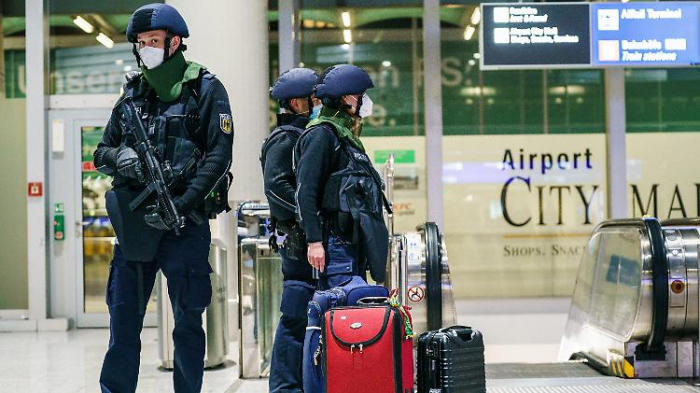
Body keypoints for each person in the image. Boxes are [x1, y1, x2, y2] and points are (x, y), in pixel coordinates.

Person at [93, 4, 233, 393]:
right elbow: (101, 152)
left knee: (188, 322)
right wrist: (118, 157)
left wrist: (183, 204)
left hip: (183, 226)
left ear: (174, 43)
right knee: (123, 323)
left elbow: (219, 156)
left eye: (153, 41)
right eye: (141, 43)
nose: (146, 49)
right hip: (136, 227)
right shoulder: (133, 92)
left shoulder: (204, 88)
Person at [294, 64, 390, 290]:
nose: (364, 101)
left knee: (353, 312)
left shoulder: (344, 135)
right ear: (346, 98)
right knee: (344, 313)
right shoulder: (322, 134)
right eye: (361, 96)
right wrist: (314, 241)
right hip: (336, 245)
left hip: (352, 243)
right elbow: (306, 190)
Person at [262, 67, 321, 393]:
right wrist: (310, 212)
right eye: (314, 99)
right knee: (295, 316)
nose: (318, 105)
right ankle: (284, 387)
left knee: (305, 315)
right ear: (297, 103)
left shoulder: (303, 136)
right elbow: (276, 186)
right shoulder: (284, 139)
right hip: (297, 242)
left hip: (301, 238)